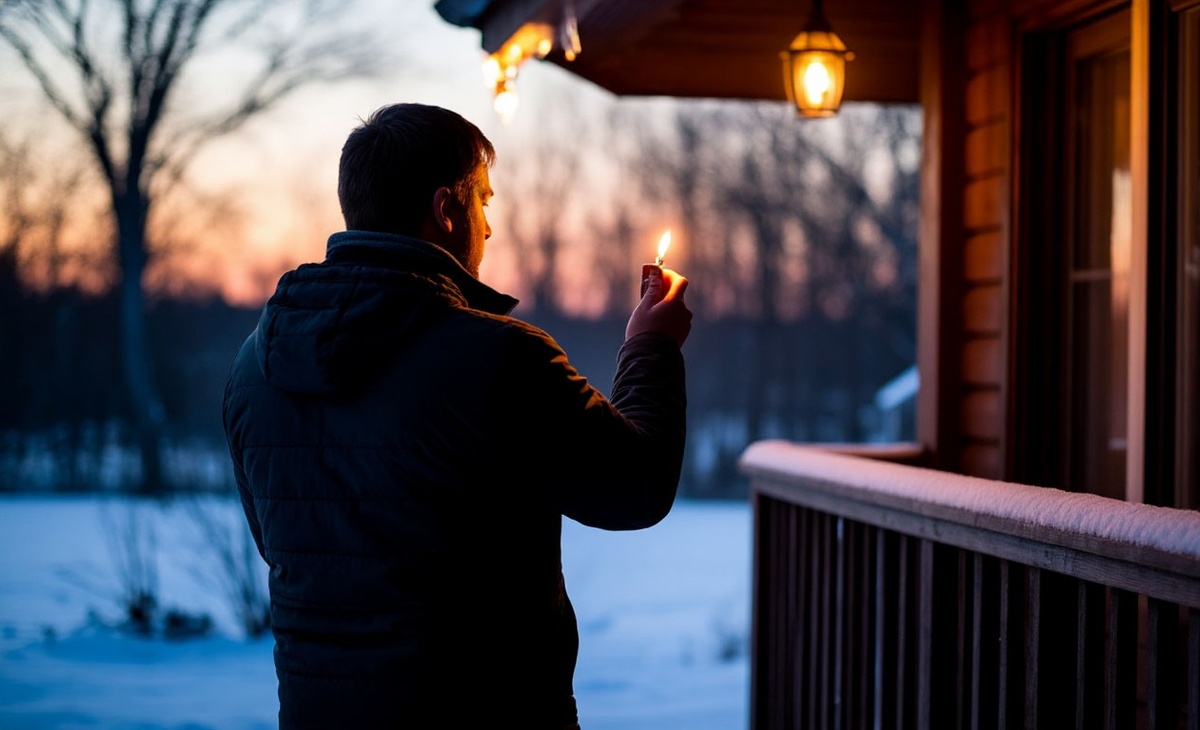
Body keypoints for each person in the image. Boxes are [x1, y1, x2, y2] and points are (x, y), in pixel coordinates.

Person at [222, 102, 692, 729]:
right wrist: (650, 348)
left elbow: (285, 543)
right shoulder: (500, 358)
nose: (489, 228)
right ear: (447, 209)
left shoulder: (254, 369)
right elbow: (635, 488)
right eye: (485, 202)